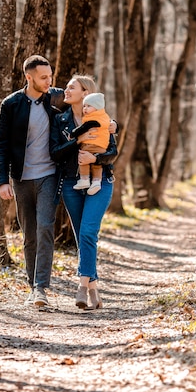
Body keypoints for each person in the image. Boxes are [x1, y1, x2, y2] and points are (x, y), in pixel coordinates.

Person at [0, 55, 62, 307]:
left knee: (45, 227)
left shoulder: (56, 97)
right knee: (29, 235)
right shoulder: (11, 104)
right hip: (21, 178)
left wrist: (111, 124)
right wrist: (3, 180)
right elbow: (1, 145)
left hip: (49, 175)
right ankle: (32, 285)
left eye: (50, 76)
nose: (49, 81)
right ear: (29, 77)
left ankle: (40, 289)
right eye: (44, 77)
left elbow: (87, 106)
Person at [49, 75, 118, 310]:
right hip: (71, 182)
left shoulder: (104, 119)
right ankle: (94, 289)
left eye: (71, 87)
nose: (65, 90)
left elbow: (112, 152)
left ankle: (80, 287)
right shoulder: (61, 120)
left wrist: (94, 158)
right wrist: (78, 140)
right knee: (82, 236)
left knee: (88, 231)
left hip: (101, 181)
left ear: (85, 92)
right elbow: (55, 153)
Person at [73, 92, 111, 196]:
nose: (85, 108)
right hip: (102, 146)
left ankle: (84, 179)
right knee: (97, 165)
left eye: (89, 106)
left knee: (83, 158)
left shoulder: (92, 119)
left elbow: (82, 128)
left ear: (97, 107)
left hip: (91, 144)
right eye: (84, 106)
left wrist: (74, 133)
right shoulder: (105, 117)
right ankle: (96, 182)